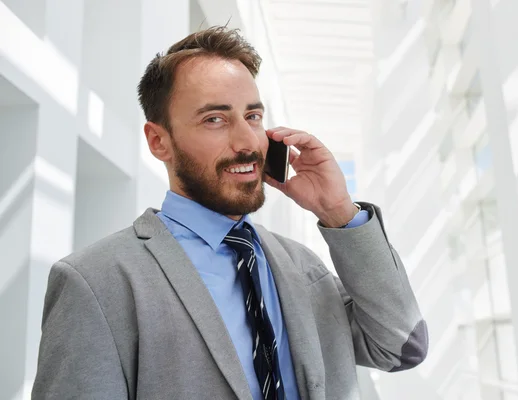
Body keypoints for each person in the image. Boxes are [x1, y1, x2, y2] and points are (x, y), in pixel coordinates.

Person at [32, 26, 428, 400]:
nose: (247, 142)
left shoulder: (301, 267)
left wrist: (339, 211)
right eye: (215, 119)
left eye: (253, 117)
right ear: (159, 141)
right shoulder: (96, 281)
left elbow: (402, 348)